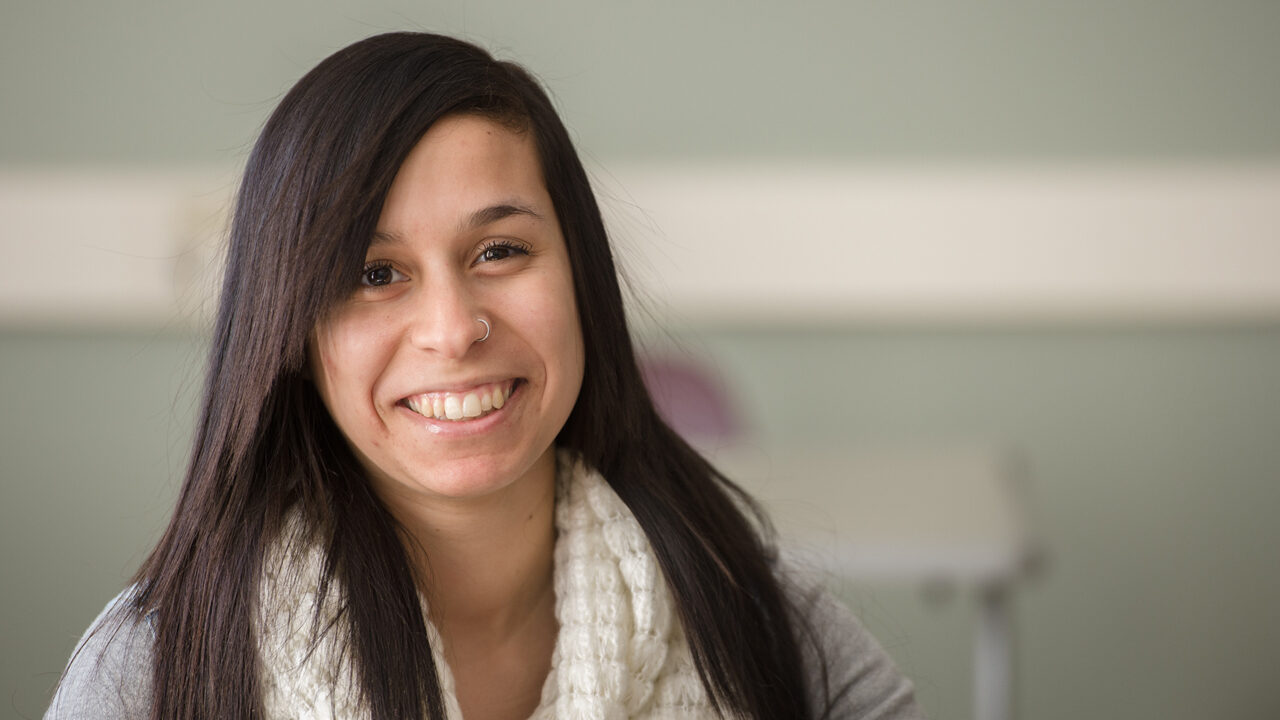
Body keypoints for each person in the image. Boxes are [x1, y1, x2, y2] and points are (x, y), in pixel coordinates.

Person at [46, 32, 923, 720]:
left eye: (500, 250)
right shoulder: (159, 670)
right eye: (374, 273)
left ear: (580, 275)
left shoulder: (759, 621)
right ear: (292, 333)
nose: (454, 329)